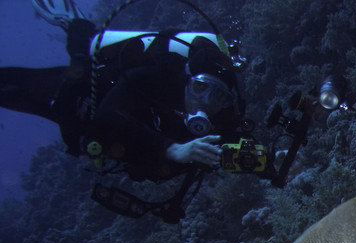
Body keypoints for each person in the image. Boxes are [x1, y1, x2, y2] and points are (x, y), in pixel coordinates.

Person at [0, 0, 249, 221]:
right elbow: (108, 115)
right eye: (200, 87)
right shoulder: (153, 78)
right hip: (79, 96)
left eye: (218, 95)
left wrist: (271, 160)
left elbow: (237, 149)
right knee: (22, 89)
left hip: (87, 135)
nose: (205, 100)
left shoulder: (219, 120)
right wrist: (172, 149)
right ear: (188, 79)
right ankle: (76, 25)